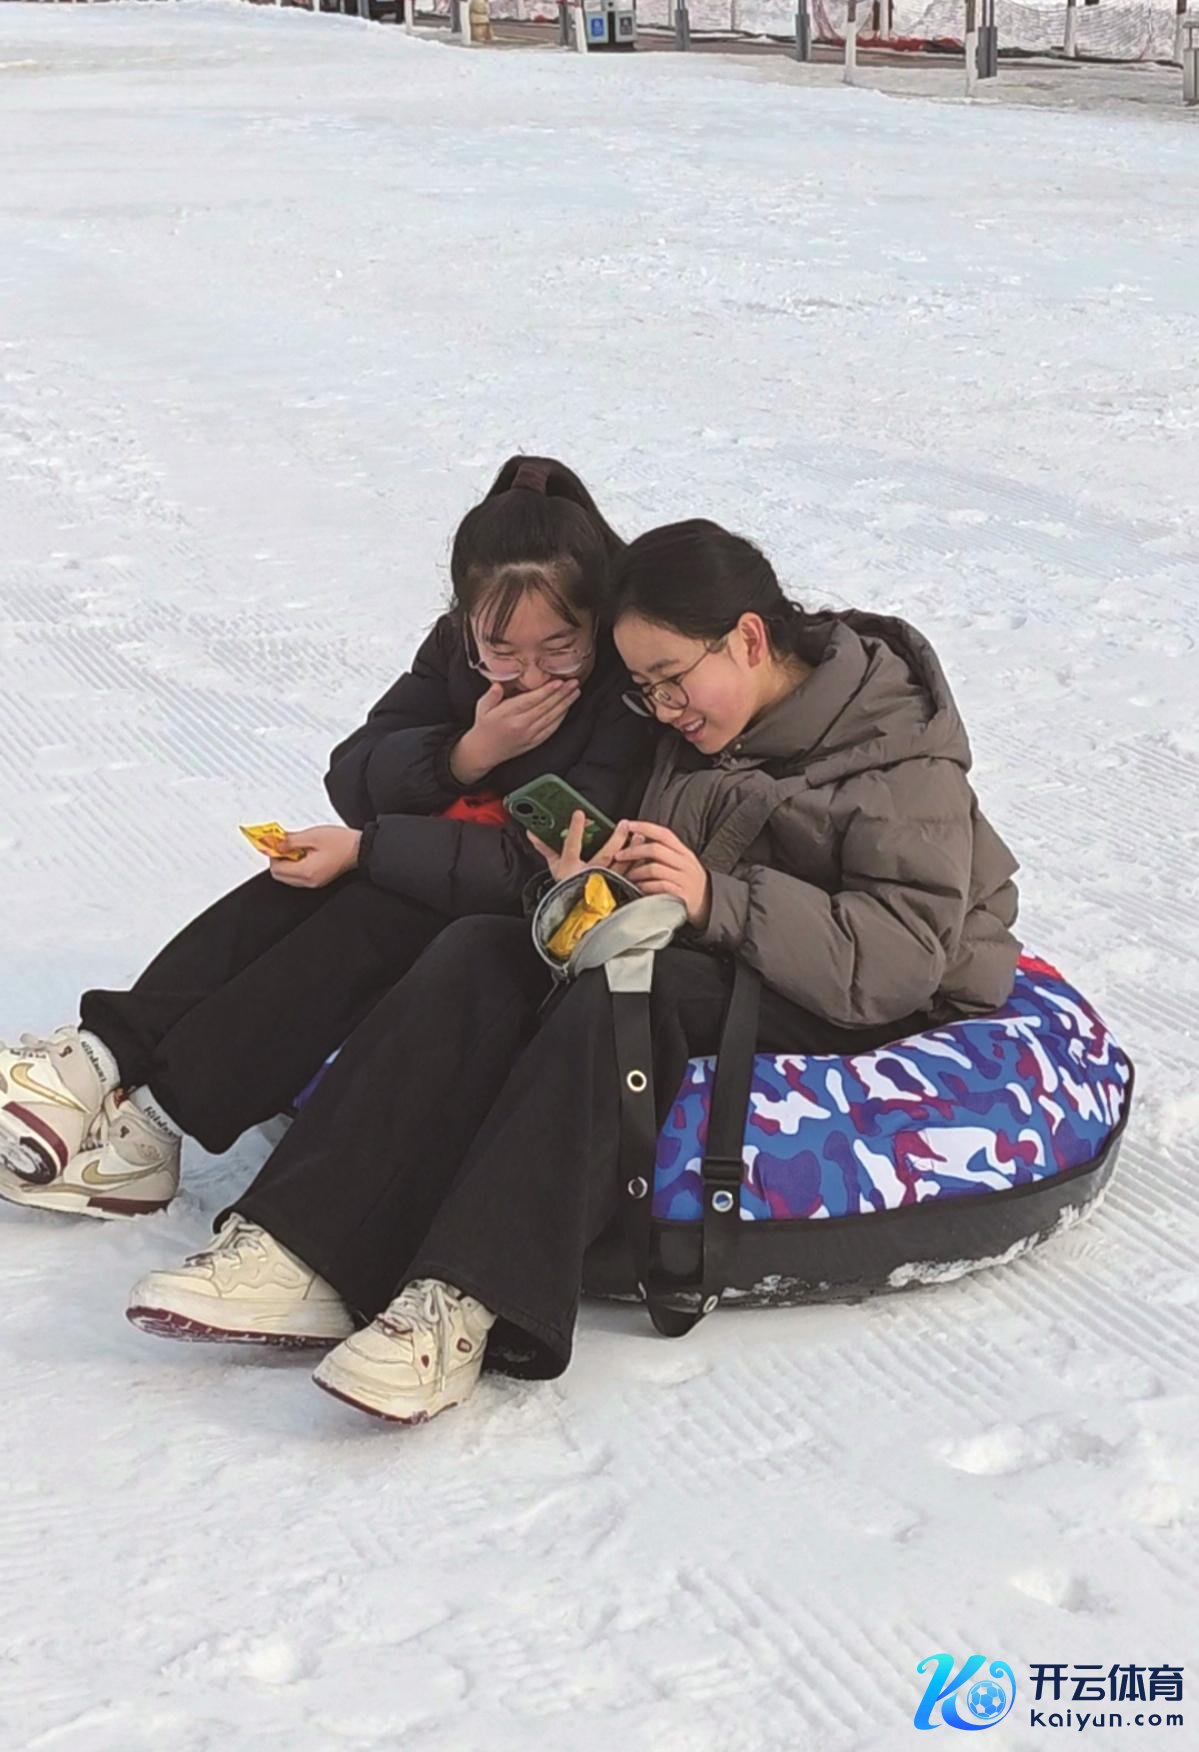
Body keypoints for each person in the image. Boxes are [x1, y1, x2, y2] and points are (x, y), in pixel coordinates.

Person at [129, 520, 1022, 1427]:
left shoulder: (895, 754)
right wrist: (589, 879)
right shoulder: (701, 721)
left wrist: (713, 898)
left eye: (671, 679)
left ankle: (463, 1300)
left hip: (848, 991)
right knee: (482, 948)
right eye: (645, 688)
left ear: (748, 639)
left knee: (616, 999)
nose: (663, 709)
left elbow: (900, 957)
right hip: (710, 940)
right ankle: (300, 1250)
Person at [0, 457, 650, 1222]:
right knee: (296, 881)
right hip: (436, 870)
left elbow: (528, 870)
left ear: (596, 624)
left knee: (368, 913)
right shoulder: (456, 655)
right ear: (466, 621)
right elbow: (354, 774)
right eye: (501, 650)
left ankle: (152, 1127)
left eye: (560, 648)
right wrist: (464, 754)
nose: (531, 674)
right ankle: (95, 1061)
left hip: (525, 923)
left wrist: (368, 850)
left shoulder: (620, 693)